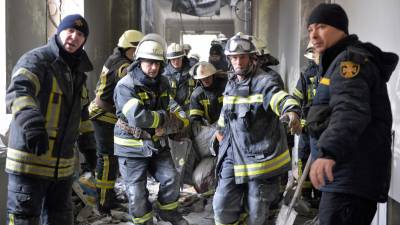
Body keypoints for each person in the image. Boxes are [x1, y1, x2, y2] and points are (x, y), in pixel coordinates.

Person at [306, 3, 399, 225]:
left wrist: (328, 152)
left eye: (321, 27)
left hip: (349, 179)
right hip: (344, 178)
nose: (314, 35)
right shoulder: (335, 63)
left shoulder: (348, 62)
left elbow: (350, 109)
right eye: (310, 30)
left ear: (340, 28)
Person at [5, 14, 96, 225]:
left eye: (80, 34)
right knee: (24, 220)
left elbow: (82, 113)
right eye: (70, 30)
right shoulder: (37, 60)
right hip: (30, 162)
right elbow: (19, 93)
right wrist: (33, 126)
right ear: (59, 31)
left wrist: (89, 147)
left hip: (62, 170)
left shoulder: (78, 72)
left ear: (84, 41)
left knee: (60, 219)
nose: (74, 36)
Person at [212, 32, 302, 225]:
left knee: (256, 214)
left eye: (242, 57)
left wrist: (292, 111)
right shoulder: (232, 82)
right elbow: (226, 113)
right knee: (221, 207)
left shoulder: (264, 81)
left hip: (259, 159)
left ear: (252, 58)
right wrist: (219, 132)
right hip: (233, 153)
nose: (238, 62)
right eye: (234, 58)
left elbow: (279, 97)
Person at [113, 33, 189, 225]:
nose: (154, 67)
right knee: (137, 192)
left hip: (156, 143)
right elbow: (140, 118)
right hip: (131, 145)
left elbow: (169, 105)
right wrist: (165, 119)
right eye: (149, 62)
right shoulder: (125, 86)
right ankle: (143, 221)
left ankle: (168, 212)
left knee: (171, 178)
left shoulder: (162, 83)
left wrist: (180, 121)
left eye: (157, 63)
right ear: (139, 61)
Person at [89, 29, 144, 215]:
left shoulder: (116, 59)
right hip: (103, 114)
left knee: (110, 158)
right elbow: (127, 81)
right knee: (107, 159)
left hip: (105, 113)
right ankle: (104, 202)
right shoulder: (122, 66)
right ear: (130, 49)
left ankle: (108, 195)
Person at [292, 41, 320, 207]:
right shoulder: (306, 74)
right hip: (306, 126)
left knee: (319, 159)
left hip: (322, 128)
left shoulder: (329, 72)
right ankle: (304, 194)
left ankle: (319, 195)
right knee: (303, 157)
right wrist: (298, 120)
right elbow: (296, 99)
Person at [189, 61, 226, 128]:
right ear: (199, 80)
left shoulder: (224, 88)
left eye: (208, 77)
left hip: (226, 123)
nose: (206, 80)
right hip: (209, 128)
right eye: (203, 79)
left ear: (213, 76)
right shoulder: (197, 95)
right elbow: (195, 118)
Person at [163, 43, 195, 113]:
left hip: (189, 109)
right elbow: (164, 96)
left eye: (178, 58)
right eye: (173, 59)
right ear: (169, 59)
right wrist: (178, 111)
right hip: (171, 111)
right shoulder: (163, 75)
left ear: (182, 57)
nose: (176, 61)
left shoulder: (191, 72)